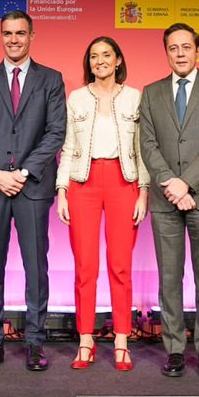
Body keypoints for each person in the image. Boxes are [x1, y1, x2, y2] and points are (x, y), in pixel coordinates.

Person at [0, 10, 66, 372]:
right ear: (1, 37)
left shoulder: (51, 79)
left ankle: (35, 343)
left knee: (36, 267)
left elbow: (55, 132)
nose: (14, 39)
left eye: (20, 33)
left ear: (31, 36)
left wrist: (22, 173)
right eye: (7, 33)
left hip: (31, 187)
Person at [138, 23, 199, 379]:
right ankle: (175, 349)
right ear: (166, 52)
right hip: (166, 202)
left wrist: (186, 184)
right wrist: (171, 185)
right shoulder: (151, 92)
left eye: (186, 47)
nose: (180, 53)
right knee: (169, 280)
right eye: (173, 48)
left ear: (197, 50)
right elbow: (148, 144)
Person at [56, 37, 149, 372]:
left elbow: (142, 148)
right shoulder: (77, 98)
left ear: (118, 60)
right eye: (94, 56)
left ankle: (122, 341)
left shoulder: (135, 97)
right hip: (84, 183)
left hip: (124, 182)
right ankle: (86, 340)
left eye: (106, 55)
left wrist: (143, 190)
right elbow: (68, 146)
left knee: (120, 266)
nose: (100, 61)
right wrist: (62, 190)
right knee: (85, 267)